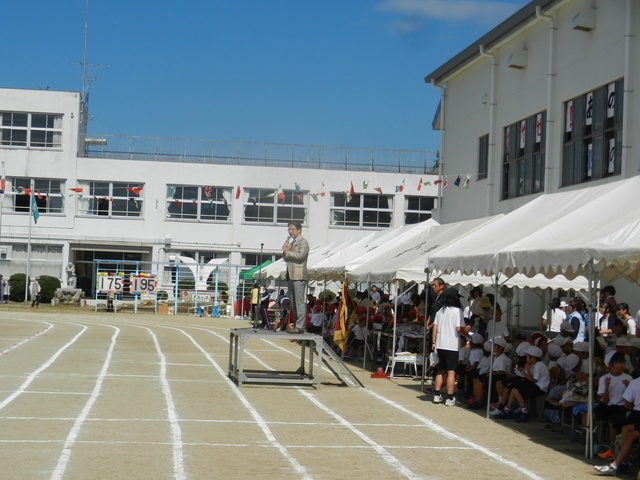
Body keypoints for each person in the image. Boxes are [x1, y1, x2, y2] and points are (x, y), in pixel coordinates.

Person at [432, 287, 470, 406]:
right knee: (451, 372)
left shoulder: (440, 311)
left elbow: (435, 327)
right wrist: (467, 334)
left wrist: (434, 342)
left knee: (440, 370)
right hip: (452, 345)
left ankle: (437, 395)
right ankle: (450, 397)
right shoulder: (457, 311)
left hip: (440, 344)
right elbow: (458, 328)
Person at [282, 221, 309, 333]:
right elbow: (287, 258)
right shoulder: (292, 243)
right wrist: (285, 252)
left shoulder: (303, 242)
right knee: (293, 302)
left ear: (299, 230)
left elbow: (300, 256)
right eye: (289, 229)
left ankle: (300, 325)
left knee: (299, 301)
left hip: (299, 275)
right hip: (291, 275)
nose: (290, 231)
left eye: (292, 229)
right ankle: (297, 324)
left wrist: (287, 253)